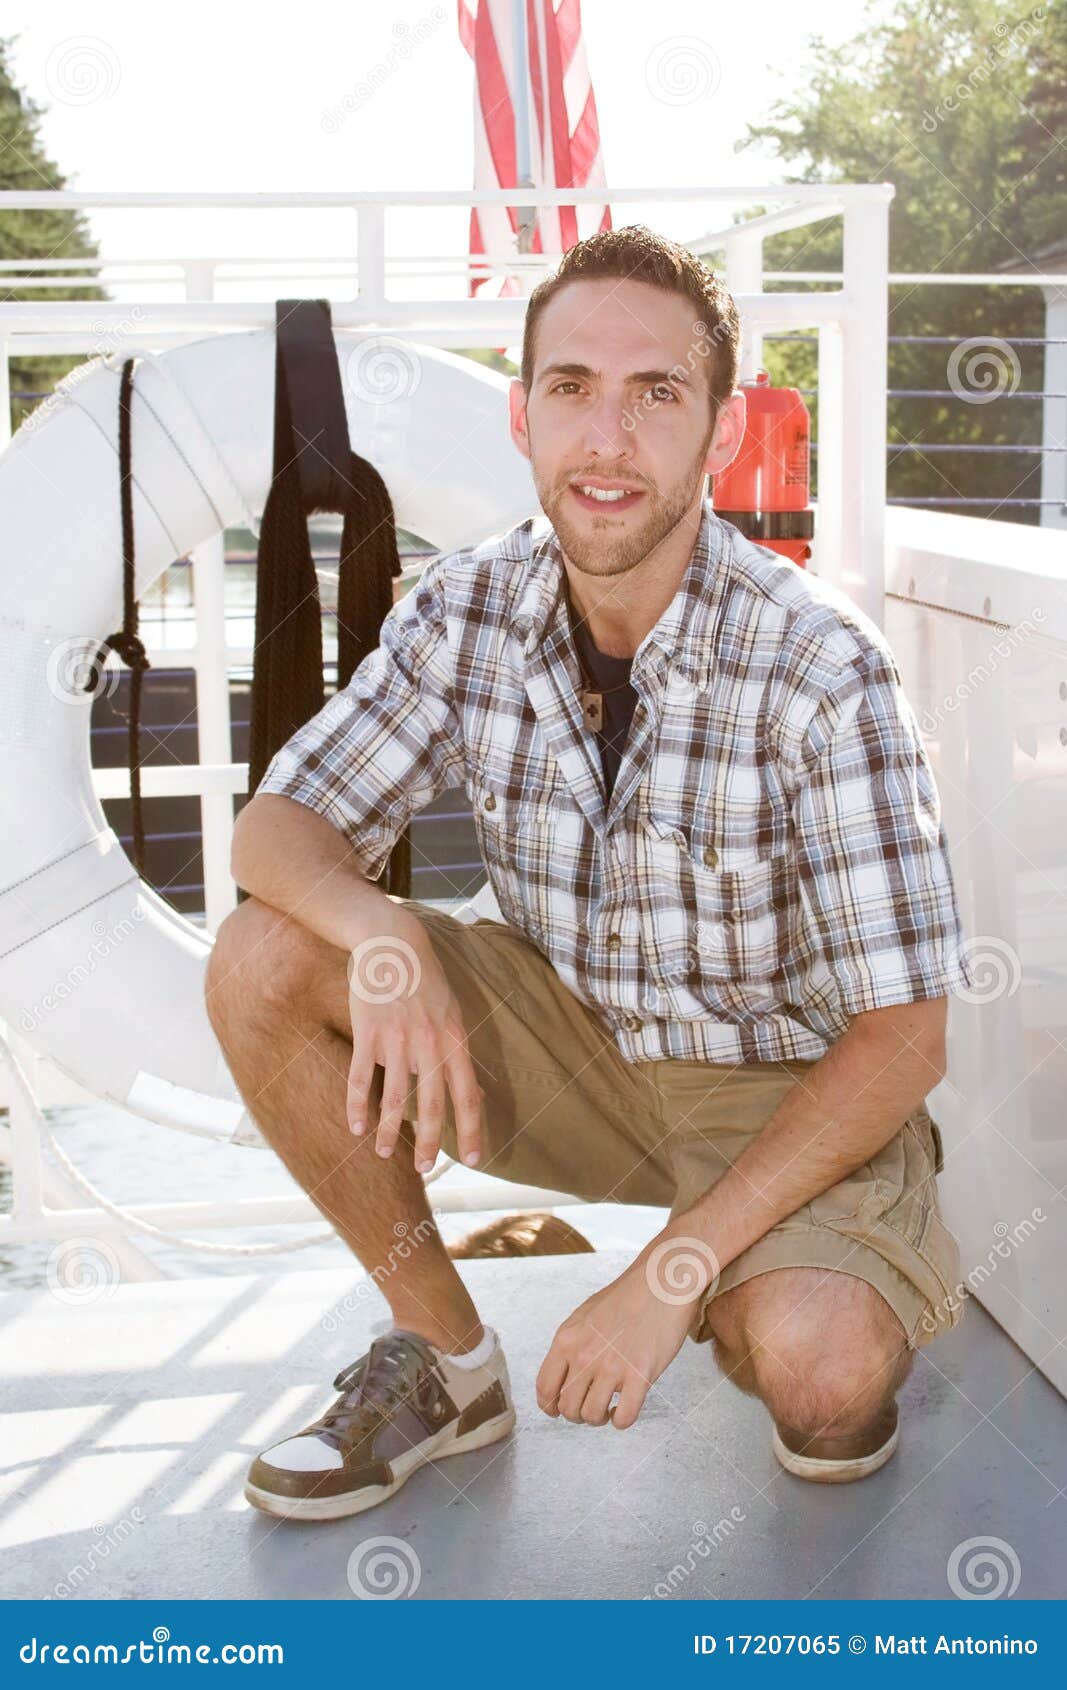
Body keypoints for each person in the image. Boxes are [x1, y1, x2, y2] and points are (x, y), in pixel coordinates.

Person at [205, 225, 973, 1523]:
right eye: (572, 388)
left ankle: (808, 1261)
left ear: (721, 430)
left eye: (655, 393)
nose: (606, 439)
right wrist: (381, 931)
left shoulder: (821, 671)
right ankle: (447, 1357)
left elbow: (905, 1036)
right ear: (522, 413)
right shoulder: (468, 610)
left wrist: (672, 1268)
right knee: (264, 953)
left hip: (781, 1081)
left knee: (822, 1378)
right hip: (567, 1045)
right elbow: (275, 828)